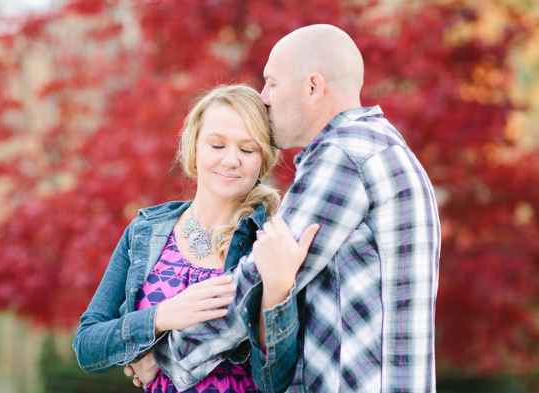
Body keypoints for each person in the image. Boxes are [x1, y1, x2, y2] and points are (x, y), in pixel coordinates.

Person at [142, 24, 441, 393]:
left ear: (312, 87)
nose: (263, 97)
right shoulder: (387, 147)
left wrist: (163, 355)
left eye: (272, 82)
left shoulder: (343, 155)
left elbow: (256, 282)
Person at [73, 84, 285, 392]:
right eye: (216, 145)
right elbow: (87, 345)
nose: (230, 160)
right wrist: (160, 317)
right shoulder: (145, 232)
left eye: (247, 149)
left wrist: (159, 359)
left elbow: (282, 367)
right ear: (194, 148)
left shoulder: (268, 240)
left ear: (262, 160)